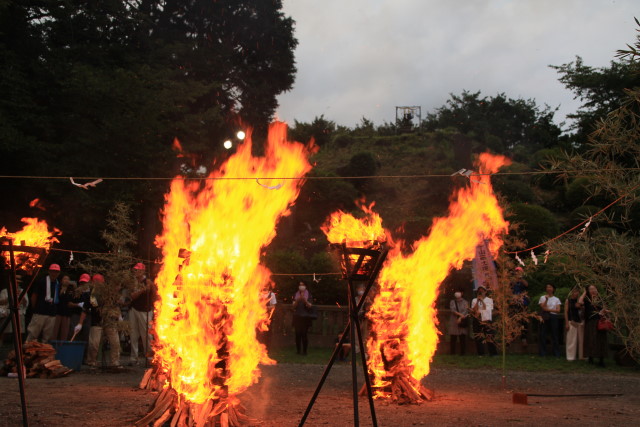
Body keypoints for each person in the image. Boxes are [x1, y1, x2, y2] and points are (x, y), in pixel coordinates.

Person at [85, 274, 123, 368]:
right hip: (97, 321)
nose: (98, 284)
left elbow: (116, 306)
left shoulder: (109, 294)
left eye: (100, 282)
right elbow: (86, 309)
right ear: (93, 283)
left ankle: (115, 362)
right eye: (96, 282)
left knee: (115, 342)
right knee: (94, 343)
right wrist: (80, 323)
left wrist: (119, 316)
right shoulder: (90, 295)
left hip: (109, 321)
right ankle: (92, 361)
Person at [128, 263, 155, 366]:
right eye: (135, 270)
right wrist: (143, 289)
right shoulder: (133, 282)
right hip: (134, 309)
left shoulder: (148, 282)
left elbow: (154, 294)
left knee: (147, 335)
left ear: (143, 271)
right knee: (133, 334)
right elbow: (132, 295)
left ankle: (150, 358)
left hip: (145, 310)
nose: (136, 272)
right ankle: (133, 358)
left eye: (138, 270)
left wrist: (153, 306)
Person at [26, 264, 61, 342]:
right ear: (49, 271)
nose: (54, 273)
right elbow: (34, 295)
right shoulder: (42, 281)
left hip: (52, 313)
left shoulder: (58, 284)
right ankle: (27, 351)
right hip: (40, 312)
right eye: (52, 271)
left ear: (59, 273)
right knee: (33, 334)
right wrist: (34, 308)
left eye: (56, 272)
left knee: (47, 337)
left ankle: (44, 352)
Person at [579, 285, 608, 367]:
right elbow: (580, 302)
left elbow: (605, 309)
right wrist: (584, 292)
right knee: (590, 340)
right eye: (591, 289)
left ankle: (601, 360)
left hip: (600, 322)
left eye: (594, 288)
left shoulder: (601, 300)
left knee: (601, 341)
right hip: (590, 322)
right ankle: (590, 358)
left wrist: (603, 312)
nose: (593, 290)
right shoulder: (587, 300)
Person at [0, 274, 28, 342]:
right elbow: (1, 302)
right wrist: (11, 296)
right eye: (15, 282)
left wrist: (21, 296)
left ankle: (16, 348)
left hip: (19, 314)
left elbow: (26, 304)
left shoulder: (22, 291)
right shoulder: (5, 291)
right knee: (4, 333)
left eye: (18, 282)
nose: (17, 283)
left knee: (19, 334)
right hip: (7, 314)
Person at [471, 286, 497, 356]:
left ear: (485, 292)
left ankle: (493, 353)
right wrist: (478, 301)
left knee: (489, 335)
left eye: (482, 291)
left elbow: (487, 308)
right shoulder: (474, 300)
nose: (481, 292)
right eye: (479, 291)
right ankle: (481, 353)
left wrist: (482, 300)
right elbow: (474, 310)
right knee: (478, 336)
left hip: (486, 319)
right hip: (477, 319)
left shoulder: (489, 300)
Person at [538, 284, 561, 357]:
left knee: (554, 334)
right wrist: (546, 299)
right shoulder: (542, 297)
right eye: (547, 287)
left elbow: (558, 310)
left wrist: (548, 310)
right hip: (545, 316)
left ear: (553, 289)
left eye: (550, 287)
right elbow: (543, 308)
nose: (549, 288)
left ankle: (556, 352)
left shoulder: (556, 299)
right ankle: (543, 352)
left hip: (553, 316)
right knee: (543, 334)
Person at [292, 281, 314, 356]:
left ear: (305, 286)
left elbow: (310, 306)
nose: (301, 286)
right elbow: (293, 306)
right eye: (300, 285)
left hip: (305, 318)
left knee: (304, 334)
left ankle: (304, 351)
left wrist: (304, 300)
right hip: (297, 317)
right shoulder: (295, 294)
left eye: (303, 285)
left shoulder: (309, 294)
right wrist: (297, 300)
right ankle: (298, 351)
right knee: (297, 334)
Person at [510, 267, 530, 349]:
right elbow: (509, 288)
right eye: (516, 272)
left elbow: (527, 285)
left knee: (523, 321)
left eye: (519, 272)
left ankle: (523, 339)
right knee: (513, 320)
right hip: (514, 303)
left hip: (523, 303)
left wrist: (520, 278)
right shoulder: (512, 281)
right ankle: (511, 338)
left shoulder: (523, 280)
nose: (517, 273)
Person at [52, 274, 74, 340]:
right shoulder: (57, 288)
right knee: (55, 330)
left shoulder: (71, 290)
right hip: (57, 312)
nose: (66, 280)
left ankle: (63, 344)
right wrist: (62, 290)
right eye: (65, 279)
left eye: (68, 279)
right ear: (61, 280)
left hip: (66, 313)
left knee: (64, 331)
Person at [565, 287, 584, 361]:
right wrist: (566, 322)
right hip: (571, 321)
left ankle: (582, 356)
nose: (576, 293)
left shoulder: (580, 301)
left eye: (577, 292)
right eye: (574, 292)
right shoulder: (568, 301)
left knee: (581, 341)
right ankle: (570, 357)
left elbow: (580, 307)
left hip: (580, 321)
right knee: (571, 340)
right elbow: (566, 312)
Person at [69, 274, 90, 341]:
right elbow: (69, 303)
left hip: (87, 316)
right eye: (82, 282)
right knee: (74, 333)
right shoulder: (76, 292)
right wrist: (77, 305)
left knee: (86, 335)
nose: (83, 284)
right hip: (76, 315)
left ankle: (84, 350)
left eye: (85, 282)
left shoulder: (91, 293)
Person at [257, 286, 277, 352]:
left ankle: (267, 349)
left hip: (268, 317)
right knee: (259, 333)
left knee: (268, 333)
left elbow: (273, 306)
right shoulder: (258, 294)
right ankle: (258, 348)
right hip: (259, 316)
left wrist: (265, 307)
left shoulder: (272, 294)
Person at [449, 290, 469, 355]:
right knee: (453, 337)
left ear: (462, 293)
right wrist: (460, 315)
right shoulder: (452, 302)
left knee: (462, 337)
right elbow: (452, 310)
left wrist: (460, 318)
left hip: (462, 321)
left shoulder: (465, 302)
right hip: (454, 321)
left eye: (459, 292)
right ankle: (452, 353)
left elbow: (466, 311)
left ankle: (462, 353)